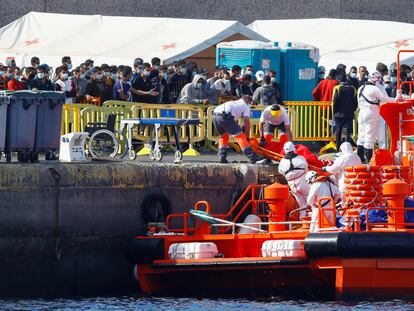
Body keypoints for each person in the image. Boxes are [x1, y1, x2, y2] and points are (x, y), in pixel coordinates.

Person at [356, 71, 396, 163]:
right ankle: (369, 160)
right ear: (376, 79)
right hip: (371, 113)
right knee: (370, 137)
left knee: (361, 136)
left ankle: (360, 158)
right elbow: (386, 99)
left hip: (361, 113)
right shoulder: (374, 88)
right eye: (379, 78)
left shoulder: (361, 87)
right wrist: (397, 99)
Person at [212, 95, 262, 164]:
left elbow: (233, 120)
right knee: (240, 137)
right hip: (225, 116)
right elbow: (247, 122)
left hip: (215, 115)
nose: (251, 105)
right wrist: (246, 137)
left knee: (223, 137)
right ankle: (252, 156)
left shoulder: (235, 103)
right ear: (248, 101)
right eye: (251, 103)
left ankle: (222, 157)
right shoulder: (245, 106)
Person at [278, 141, 310, 217]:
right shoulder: (301, 158)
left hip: (292, 184)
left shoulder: (282, 161)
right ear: (294, 149)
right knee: (309, 200)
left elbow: (281, 172)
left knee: (300, 203)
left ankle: (302, 219)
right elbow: (306, 169)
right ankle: (310, 218)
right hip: (303, 181)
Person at [332, 72, 358, 148]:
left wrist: (334, 112)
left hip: (338, 115)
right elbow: (355, 102)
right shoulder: (353, 88)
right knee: (348, 133)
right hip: (349, 114)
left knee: (338, 132)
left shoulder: (337, 88)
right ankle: (347, 149)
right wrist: (352, 110)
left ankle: (338, 149)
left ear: (339, 81)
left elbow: (334, 102)